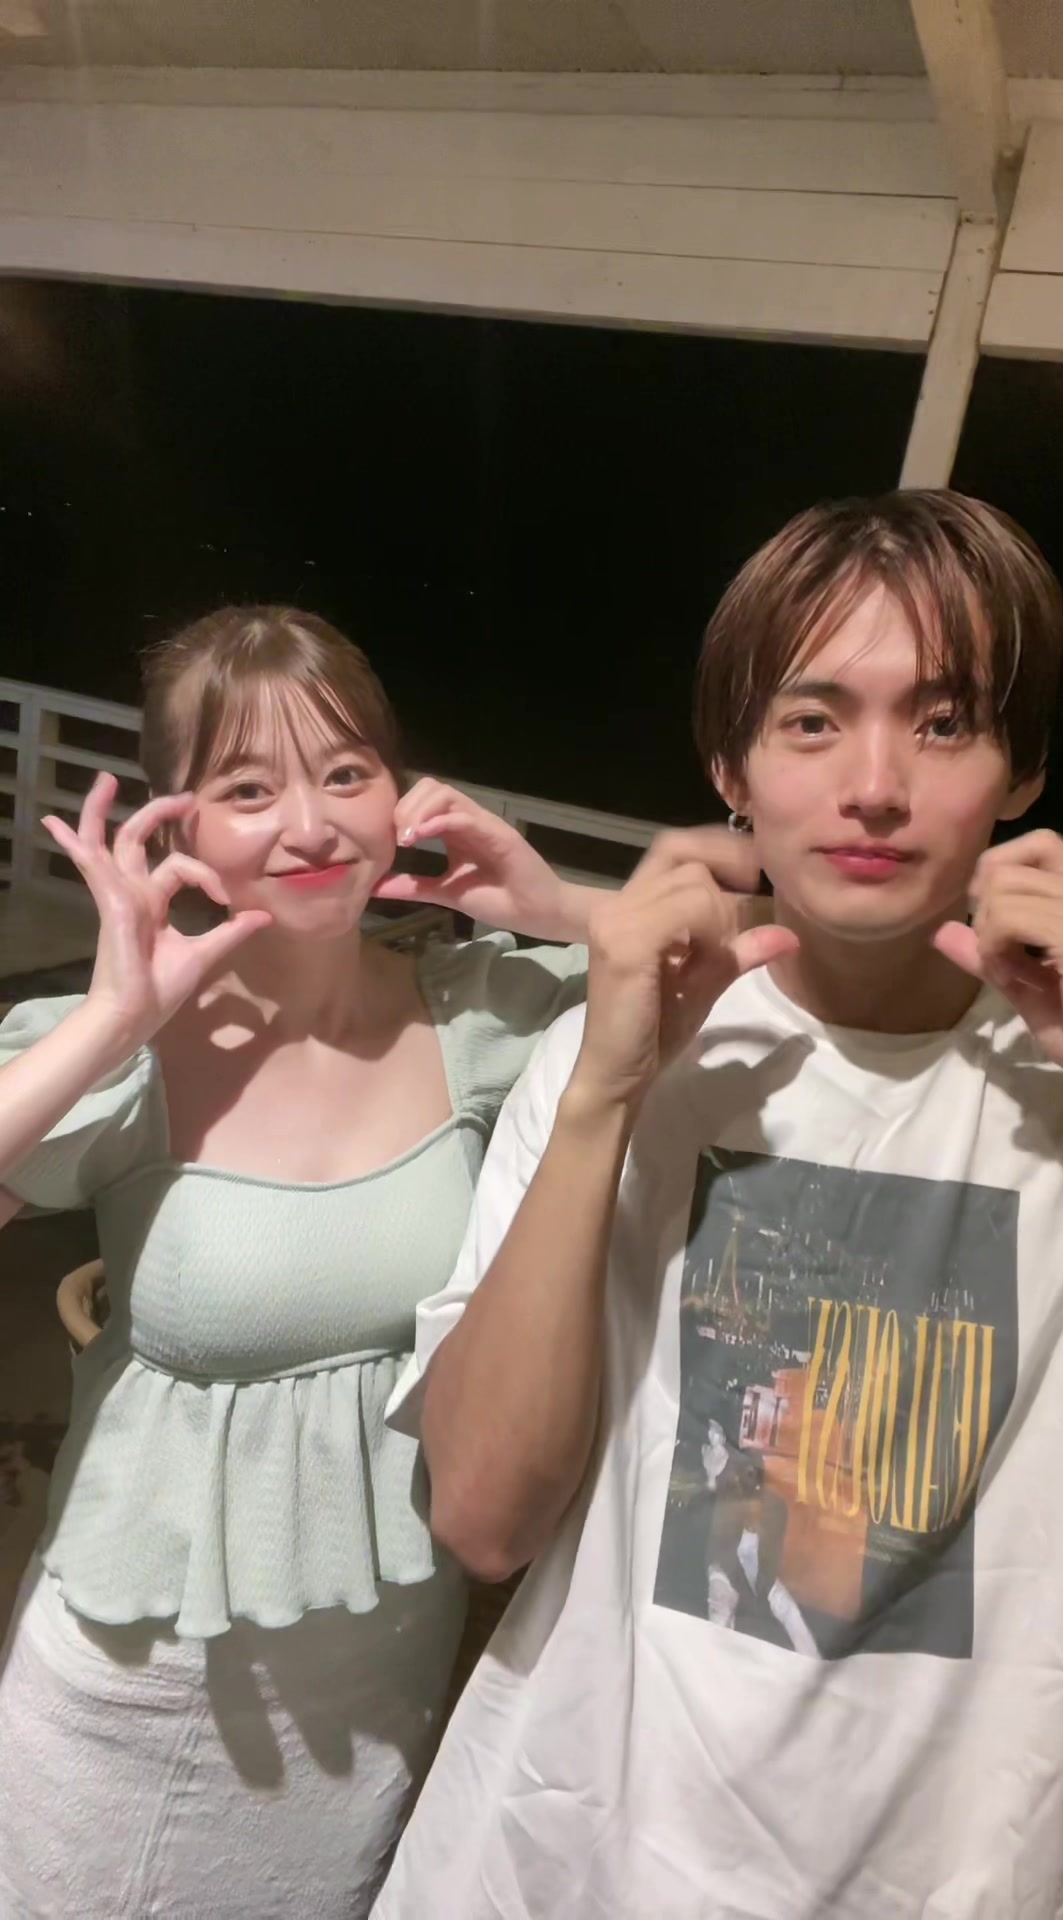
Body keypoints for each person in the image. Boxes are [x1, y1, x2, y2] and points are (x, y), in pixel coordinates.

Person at [374, 491, 1063, 1920]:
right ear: (731, 769)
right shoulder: (620, 1055)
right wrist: (602, 1096)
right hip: (560, 1857)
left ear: (1022, 771)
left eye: (945, 722)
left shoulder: (1057, 1089)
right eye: (812, 721)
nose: (874, 784)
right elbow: (485, 1517)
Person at [0, 605, 602, 1917]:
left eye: (345, 773)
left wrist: (560, 905)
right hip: (132, 1689)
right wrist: (111, 1020)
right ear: (177, 824)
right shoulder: (134, 1050)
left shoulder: (476, 1019)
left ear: (399, 793)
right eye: (248, 789)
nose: (312, 826)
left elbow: (738, 975)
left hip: (375, 1690)